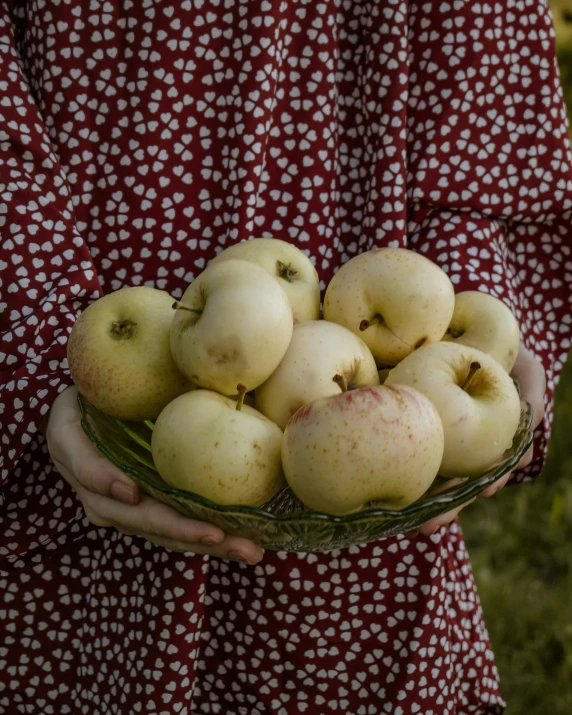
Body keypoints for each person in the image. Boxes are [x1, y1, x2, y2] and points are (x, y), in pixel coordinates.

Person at [0, 1, 570, 713]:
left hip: (373, 493)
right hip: (96, 387)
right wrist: (41, 345)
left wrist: (470, 317)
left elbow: (480, 89)